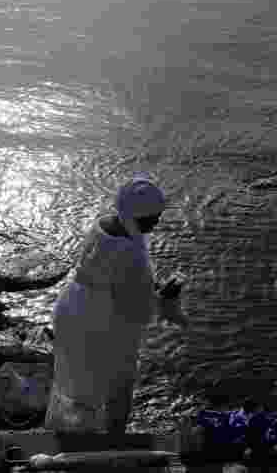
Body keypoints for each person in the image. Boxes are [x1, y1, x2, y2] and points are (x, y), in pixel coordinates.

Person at [44, 174, 188, 437]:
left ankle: (71, 432)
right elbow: (138, 308)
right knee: (113, 383)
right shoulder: (131, 252)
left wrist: (150, 287)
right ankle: (108, 440)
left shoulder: (104, 226)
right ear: (134, 216)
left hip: (73, 304)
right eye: (151, 218)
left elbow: (111, 276)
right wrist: (166, 298)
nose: (156, 223)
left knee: (76, 379)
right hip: (100, 320)